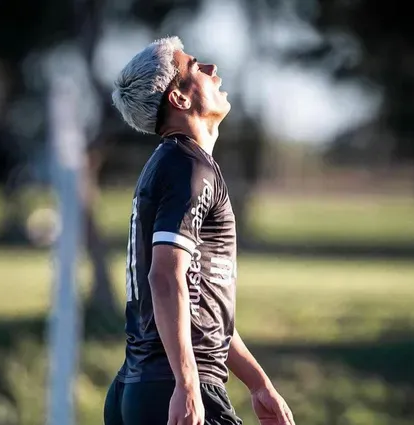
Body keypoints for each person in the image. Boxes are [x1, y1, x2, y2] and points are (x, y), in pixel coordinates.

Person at [104, 36, 295, 425]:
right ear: (180, 99)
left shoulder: (176, 163)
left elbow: (202, 306)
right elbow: (165, 276)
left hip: (142, 386)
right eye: (194, 66)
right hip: (175, 389)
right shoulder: (188, 166)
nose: (210, 68)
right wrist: (188, 383)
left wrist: (258, 383)